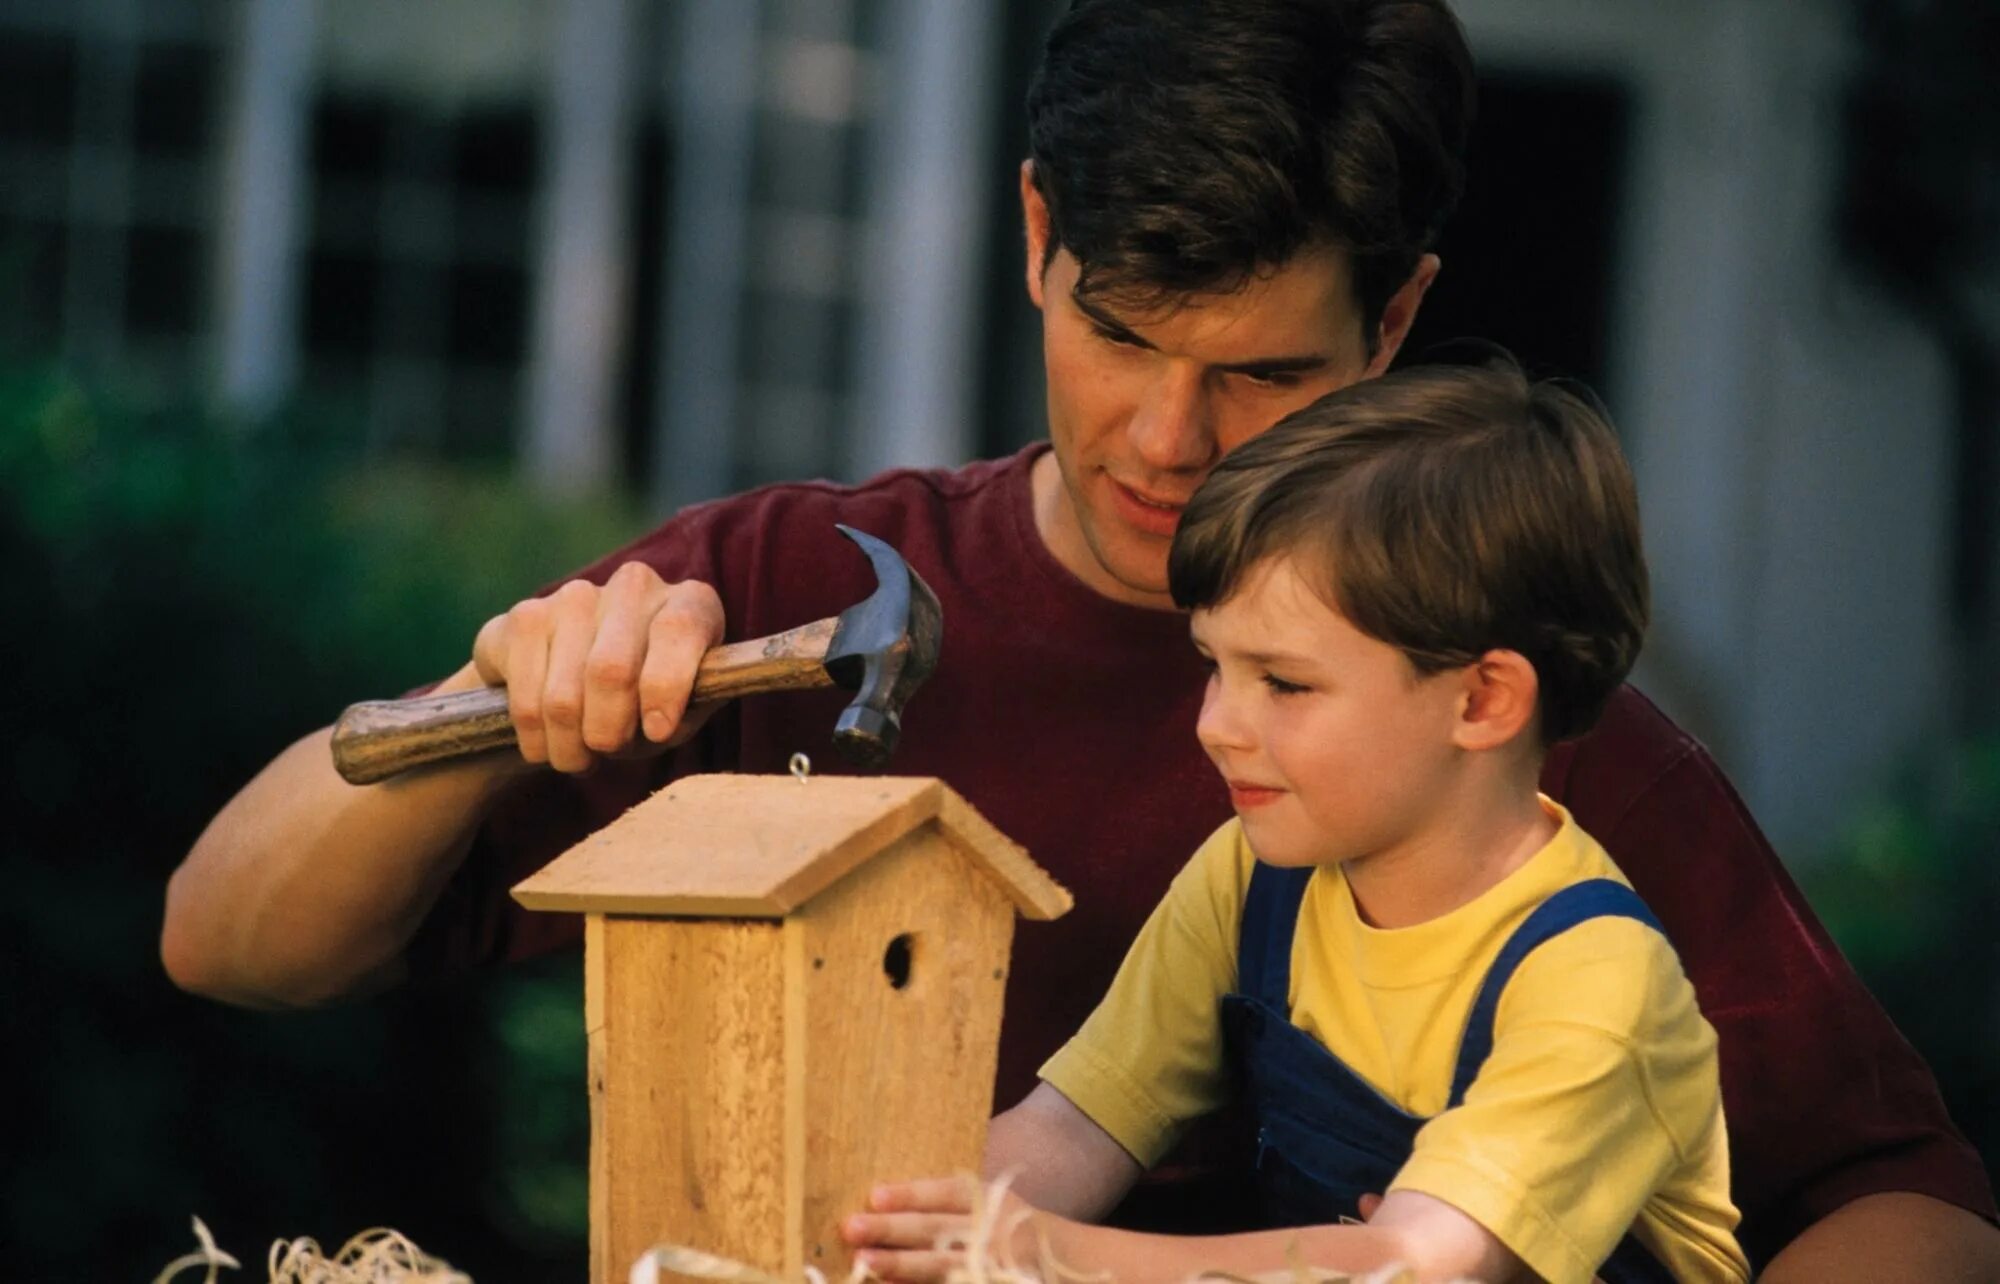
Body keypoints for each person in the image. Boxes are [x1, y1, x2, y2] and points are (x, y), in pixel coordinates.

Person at [162, 0, 1995, 1275]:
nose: (1167, 440)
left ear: (1400, 316)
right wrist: (486, 704)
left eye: (1262, 371)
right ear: (1037, 234)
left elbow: (1916, 1211)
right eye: (1121, 331)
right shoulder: (781, 598)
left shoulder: (1505, 734)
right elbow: (227, 939)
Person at [843, 358, 1749, 1284]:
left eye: (1283, 682)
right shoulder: (1252, 879)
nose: (1215, 726)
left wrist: (1038, 1252)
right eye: (1213, 665)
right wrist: (884, 1233)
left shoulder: (1596, 984)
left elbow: (1407, 1265)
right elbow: (1076, 1125)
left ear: (1482, 701)